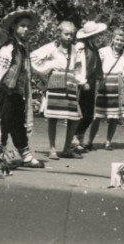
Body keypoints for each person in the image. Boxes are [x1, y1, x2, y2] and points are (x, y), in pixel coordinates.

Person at [0, 9, 44, 168]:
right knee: (3, 123)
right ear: (14, 26)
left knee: (18, 124)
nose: (26, 29)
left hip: (16, 92)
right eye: (22, 26)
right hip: (4, 91)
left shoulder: (23, 46)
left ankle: (26, 155)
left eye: (28, 26)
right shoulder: (8, 46)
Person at [31, 21, 81, 160]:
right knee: (53, 117)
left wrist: (80, 80)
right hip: (56, 80)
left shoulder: (76, 49)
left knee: (74, 118)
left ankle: (66, 148)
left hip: (71, 82)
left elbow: (79, 67)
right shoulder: (52, 47)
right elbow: (34, 57)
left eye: (71, 34)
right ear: (59, 34)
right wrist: (50, 66)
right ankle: (52, 148)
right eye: (66, 34)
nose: (69, 37)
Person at [87, 28, 124, 150]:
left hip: (118, 87)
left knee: (114, 117)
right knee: (97, 116)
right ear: (113, 39)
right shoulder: (103, 51)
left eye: (122, 40)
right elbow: (94, 64)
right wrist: (97, 77)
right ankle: (89, 141)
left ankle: (108, 142)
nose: (119, 42)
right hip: (104, 85)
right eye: (117, 39)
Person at [72, 21, 108, 152]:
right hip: (82, 84)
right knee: (81, 114)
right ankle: (74, 140)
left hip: (91, 84)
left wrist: (100, 79)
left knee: (88, 115)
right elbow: (77, 66)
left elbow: (97, 66)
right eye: (97, 35)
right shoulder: (81, 47)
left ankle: (78, 139)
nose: (99, 37)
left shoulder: (93, 48)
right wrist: (82, 81)